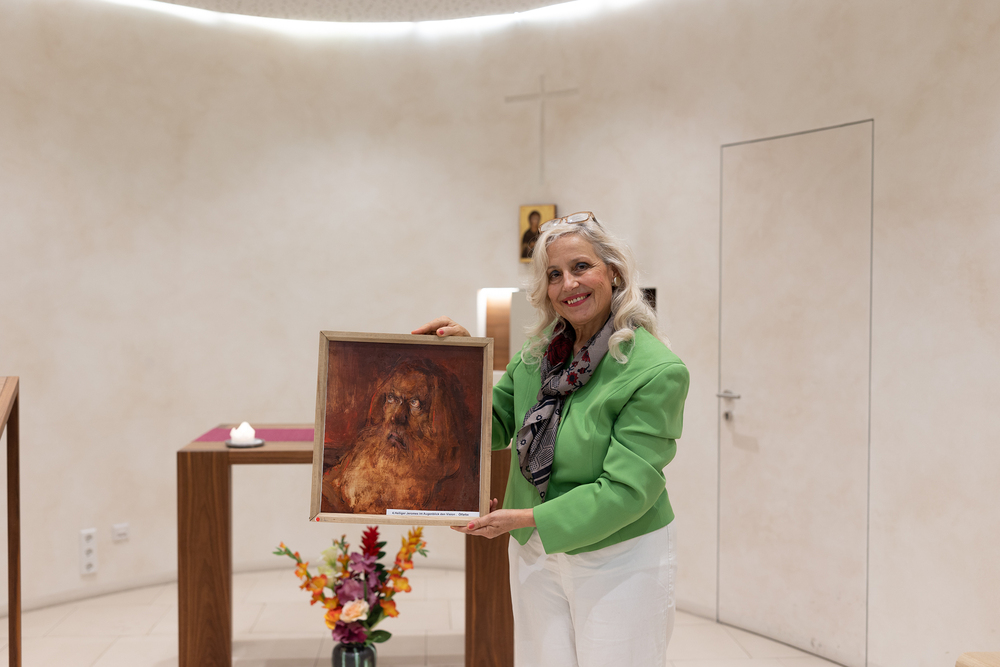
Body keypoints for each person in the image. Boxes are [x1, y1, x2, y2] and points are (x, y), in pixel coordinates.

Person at [413, 211, 689, 666]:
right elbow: (492, 425)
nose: (568, 284)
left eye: (581, 267)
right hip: (535, 551)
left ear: (613, 272)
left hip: (619, 555)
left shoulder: (656, 370)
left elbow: (627, 490)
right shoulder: (538, 354)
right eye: (554, 274)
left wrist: (525, 518)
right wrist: (459, 366)